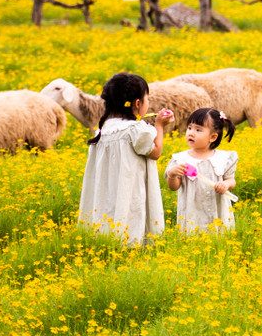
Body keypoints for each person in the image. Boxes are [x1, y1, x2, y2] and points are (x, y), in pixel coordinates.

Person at [78, 72, 174, 247]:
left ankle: (105, 242)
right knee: (130, 210)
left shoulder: (103, 131)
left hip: (107, 188)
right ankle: (131, 245)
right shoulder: (135, 129)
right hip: (129, 186)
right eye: (147, 98)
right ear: (138, 104)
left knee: (109, 209)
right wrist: (159, 126)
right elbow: (156, 152)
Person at [165, 108, 238, 234]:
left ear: (213, 137)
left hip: (217, 211)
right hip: (192, 212)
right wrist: (172, 174)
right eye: (189, 128)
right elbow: (173, 187)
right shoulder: (181, 159)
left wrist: (226, 185)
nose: (191, 133)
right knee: (192, 237)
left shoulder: (223, 158)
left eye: (198, 130)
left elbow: (231, 180)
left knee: (218, 239)